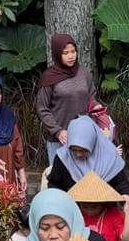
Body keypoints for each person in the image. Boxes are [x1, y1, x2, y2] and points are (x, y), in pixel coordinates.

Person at [35, 34, 97, 165]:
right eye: (65, 53)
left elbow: (91, 98)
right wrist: (57, 131)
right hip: (60, 139)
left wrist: (96, 107)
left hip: (83, 138)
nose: (71, 56)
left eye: (73, 51)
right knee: (60, 181)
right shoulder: (49, 78)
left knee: (83, 181)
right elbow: (42, 108)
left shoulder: (84, 73)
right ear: (58, 54)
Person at [46, 115, 129, 200]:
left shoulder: (110, 158)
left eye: (84, 150)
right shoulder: (63, 158)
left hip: (104, 209)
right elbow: (54, 185)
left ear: (93, 145)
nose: (78, 154)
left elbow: (122, 185)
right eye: (74, 150)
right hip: (72, 208)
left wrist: (126, 199)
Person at [68, 171, 129, 241]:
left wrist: (127, 212)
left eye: (94, 206)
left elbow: (127, 238)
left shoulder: (113, 214)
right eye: (85, 206)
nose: (89, 209)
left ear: (103, 202)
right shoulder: (77, 215)